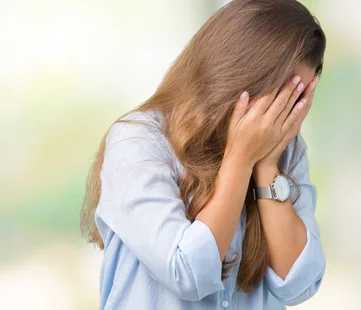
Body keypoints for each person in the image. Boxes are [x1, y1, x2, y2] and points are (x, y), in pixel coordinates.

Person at [79, 0, 326, 309]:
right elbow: (187, 272)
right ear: (235, 76)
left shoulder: (283, 148)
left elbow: (299, 283)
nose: (282, 116)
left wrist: (266, 166)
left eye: (297, 100)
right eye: (278, 99)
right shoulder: (138, 142)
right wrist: (241, 159)